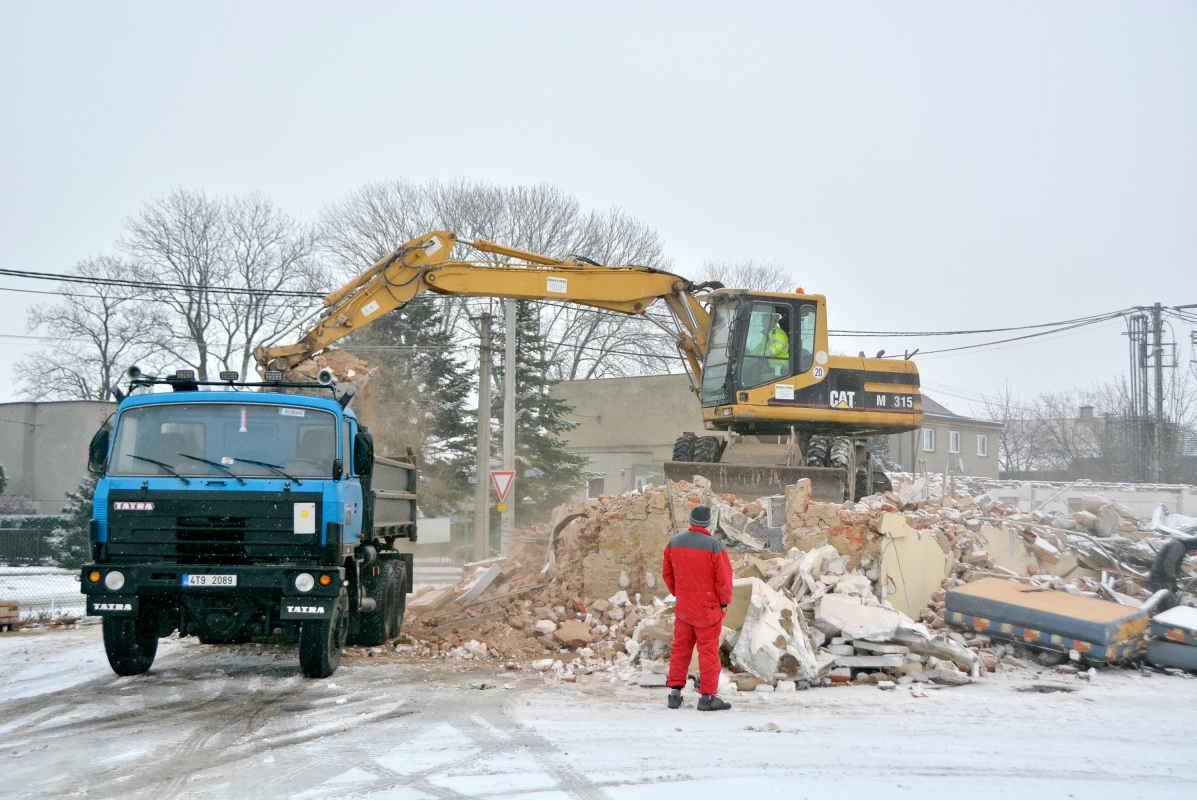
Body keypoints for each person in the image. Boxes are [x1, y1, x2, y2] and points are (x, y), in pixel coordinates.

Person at [662, 505, 734, 711]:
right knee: (708, 653)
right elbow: (724, 579)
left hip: (684, 608)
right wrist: (723, 602)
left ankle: (674, 695)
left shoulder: (674, 542)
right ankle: (708, 698)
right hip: (708, 609)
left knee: (680, 650)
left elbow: (667, 574)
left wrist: (680, 594)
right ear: (708, 522)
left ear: (691, 521)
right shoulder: (714, 545)